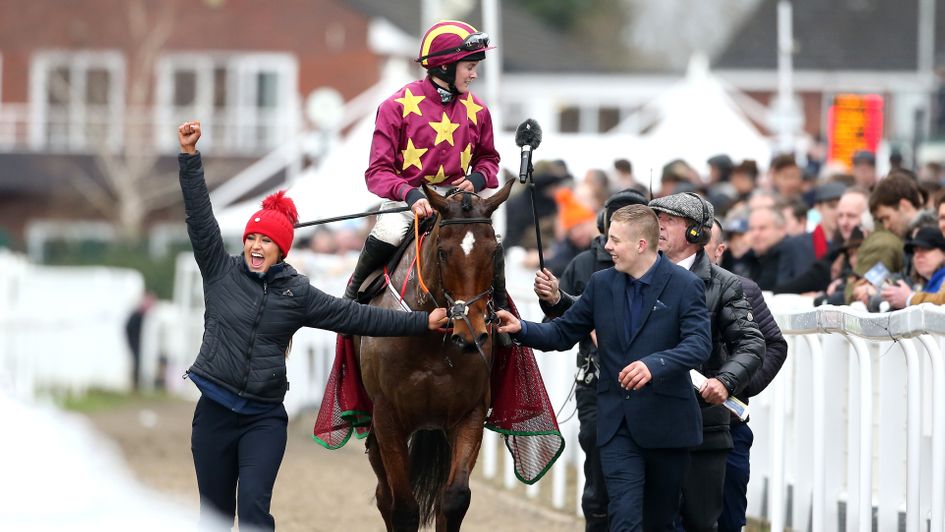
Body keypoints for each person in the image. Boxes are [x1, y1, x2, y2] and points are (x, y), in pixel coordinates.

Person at [176, 121, 448, 531]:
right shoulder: (219, 270)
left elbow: (357, 316)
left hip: (263, 420)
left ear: (282, 249)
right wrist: (189, 156)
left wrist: (422, 322)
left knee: (253, 512)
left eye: (266, 241)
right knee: (212, 518)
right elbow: (199, 215)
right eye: (251, 238)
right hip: (213, 413)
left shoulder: (297, 292)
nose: (255, 246)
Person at [496, 204, 712, 531]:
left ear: (641, 244)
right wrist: (521, 328)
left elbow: (698, 345)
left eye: (615, 240)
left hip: (668, 426)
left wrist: (654, 365)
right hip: (616, 425)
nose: (607, 246)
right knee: (623, 520)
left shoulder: (685, 285)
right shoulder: (601, 284)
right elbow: (563, 332)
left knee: (660, 522)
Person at [346, 20, 502, 306]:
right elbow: (377, 172)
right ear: (445, 66)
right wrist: (410, 194)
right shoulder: (395, 106)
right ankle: (351, 300)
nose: (474, 74)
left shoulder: (478, 110)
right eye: (469, 67)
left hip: (456, 204)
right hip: (407, 202)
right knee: (389, 233)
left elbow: (489, 159)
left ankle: (503, 313)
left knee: (491, 242)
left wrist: (477, 179)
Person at [532, 188, 649, 531]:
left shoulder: (662, 268)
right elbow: (556, 325)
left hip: (651, 389)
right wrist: (557, 303)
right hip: (597, 387)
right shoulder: (583, 265)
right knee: (599, 476)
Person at [647, 192, 764, 532]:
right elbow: (589, 309)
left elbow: (752, 343)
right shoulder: (635, 276)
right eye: (656, 219)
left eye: (669, 220)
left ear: (696, 232)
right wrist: (556, 300)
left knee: (699, 522)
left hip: (703, 427)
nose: (659, 226)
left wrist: (726, 381)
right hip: (647, 423)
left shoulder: (725, 284)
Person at [706, 220, 788, 532]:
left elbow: (774, 344)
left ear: (719, 250)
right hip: (674, 426)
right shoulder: (658, 286)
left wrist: (737, 384)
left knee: (728, 519)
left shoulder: (743, 288)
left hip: (729, 425)